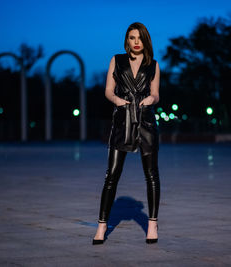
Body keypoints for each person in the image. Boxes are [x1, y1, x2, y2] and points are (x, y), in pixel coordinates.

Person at [93, 22, 161, 245]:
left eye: (140, 38)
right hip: (122, 121)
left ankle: (152, 224)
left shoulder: (154, 65)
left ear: (145, 40)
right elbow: (107, 91)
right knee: (111, 175)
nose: (136, 42)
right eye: (132, 38)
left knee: (151, 175)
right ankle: (102, 226)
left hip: (146, 122)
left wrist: (151, 99)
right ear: (127, 41)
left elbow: (156, 94)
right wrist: (117, 100)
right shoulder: (117, 60)